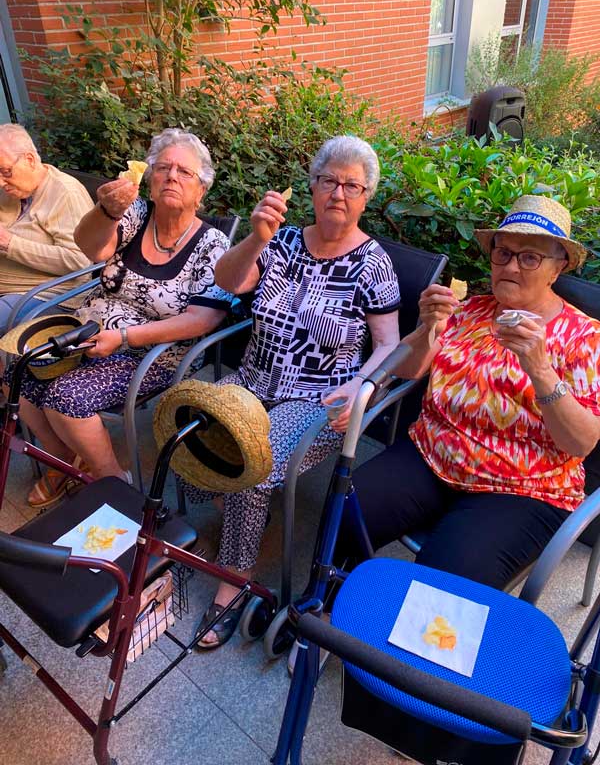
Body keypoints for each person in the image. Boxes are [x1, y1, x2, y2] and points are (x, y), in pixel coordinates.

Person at [183, 135, 402, 649]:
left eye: (352, 185)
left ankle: (232, 583)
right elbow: (229, 281)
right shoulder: (280, 240)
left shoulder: (373, 264)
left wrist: (360, 385)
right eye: (329, 181)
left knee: (250, 462)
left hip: (318, 400)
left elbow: (389, 345)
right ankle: (230, 509)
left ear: (366, 195)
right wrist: (257, 238)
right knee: (189, 423)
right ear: (313, 185)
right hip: (252, 380)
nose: (339, 193)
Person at [340, 194, 600, 590]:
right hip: (430, 455)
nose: (511, 265)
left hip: (520, 488)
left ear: (557, 267)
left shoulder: (585, 337)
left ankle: (387, 652)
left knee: (438, 587)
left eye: (529, 257)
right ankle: (328, 606)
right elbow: (408, 370)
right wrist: (427, 328)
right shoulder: (470, 311)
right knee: (343, 510)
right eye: (504, 253)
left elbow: (580, 443)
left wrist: (541, 370)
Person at [12, 128, 232, 508]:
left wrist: (126, 337)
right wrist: (107, 210)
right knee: (20, 369)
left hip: (152, 351)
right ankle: (64, 463)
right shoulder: (135, 214)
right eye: (163, 168)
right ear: (148, 179)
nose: (172, 176)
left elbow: (203, 320)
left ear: (202, 190)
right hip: (88, 328)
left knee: (63, 398)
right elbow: (92, 248)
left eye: (184, 172)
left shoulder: (212, 245)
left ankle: (114, 483)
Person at [0, 124, 93, 333]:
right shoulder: (12, 190)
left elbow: (79, 260)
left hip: (44, 295)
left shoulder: (66, 193)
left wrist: (9, 244)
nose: (0, 182)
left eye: (5, 172)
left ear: (30, 160)